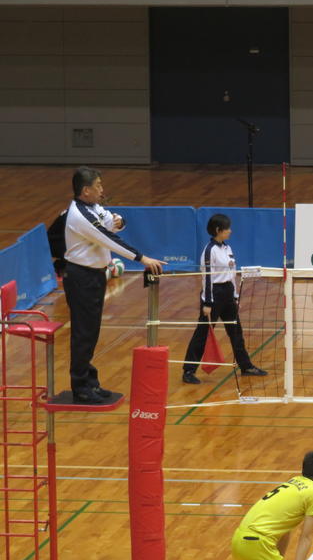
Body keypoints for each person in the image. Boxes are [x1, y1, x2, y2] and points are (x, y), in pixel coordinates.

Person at [64, 166, 165, 404]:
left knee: (92, 331)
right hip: (81, 277)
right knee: (83, 332)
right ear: (86, 190)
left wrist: (119, 221)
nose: (102, 189)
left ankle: (90, 381)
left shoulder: (93, 207)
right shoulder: (79, 215)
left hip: (95, 276)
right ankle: (80, 386)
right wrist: (142, 258)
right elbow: (108, 237)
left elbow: (112, 221)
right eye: (98, 186)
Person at [182, 213, 268, 384]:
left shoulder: (227, 249)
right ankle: (188, 370)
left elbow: (231, 274)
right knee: (203, 333)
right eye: (227, 228)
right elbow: (207, 276)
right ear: (217, 230)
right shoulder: (209, 251)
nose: (230, 231)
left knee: (236, 332)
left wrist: (235, 296)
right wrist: (207, 302)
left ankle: (246, 366)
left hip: (228, 294)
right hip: (213, 295)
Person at [232, 450, 313, 560]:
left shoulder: (293, 482)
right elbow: (306, 537)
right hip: (258, 544)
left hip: (239, 541)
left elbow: (285, 531)